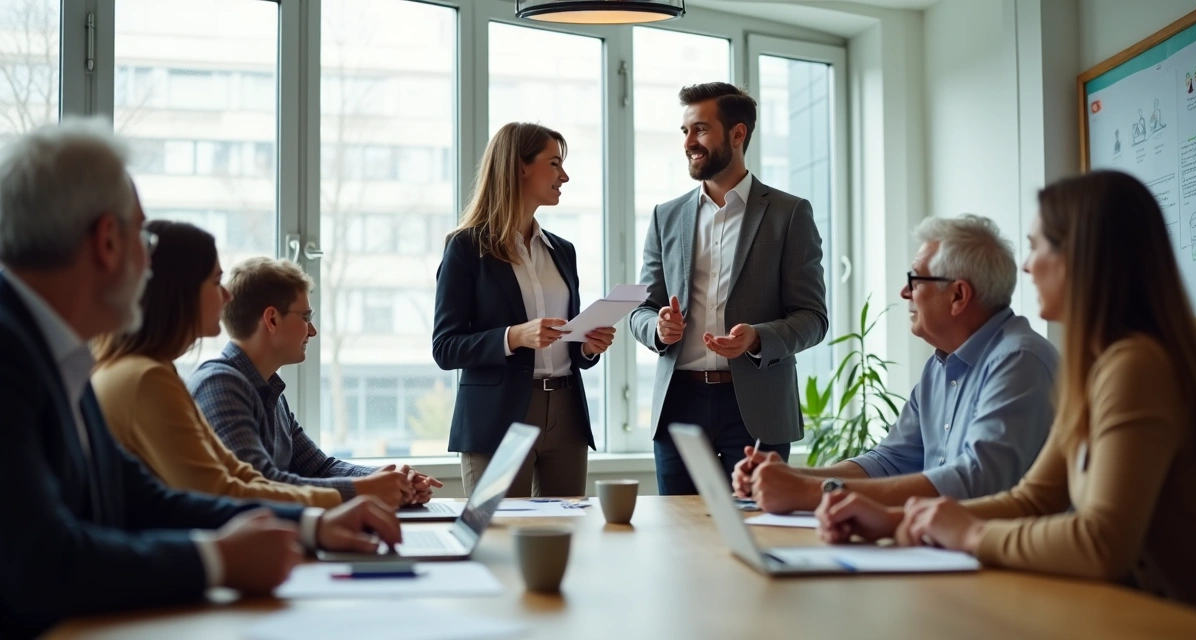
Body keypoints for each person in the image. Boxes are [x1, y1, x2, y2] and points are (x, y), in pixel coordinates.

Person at [0, 118, 401, 639]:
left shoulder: (60, 358)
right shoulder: (13, 357)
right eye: (143, 234)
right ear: (107, 241)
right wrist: (215, 561)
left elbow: (146, 499)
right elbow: (40, 563)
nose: (150, 260)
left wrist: (310, 525)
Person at [816, 171, 1196, 611]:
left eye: (1036, 246)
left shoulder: (1137, 366)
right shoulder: (1100, 368)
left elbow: (1102, 541)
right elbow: (1034, 497)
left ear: (1081, 257)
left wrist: (968, 533)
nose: (1026, 266)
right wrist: (896, 520)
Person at [733, 215, 1058, 512]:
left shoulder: (1019, 361)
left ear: (958, 296)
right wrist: (785, 474)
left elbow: (976, 481)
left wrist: (809, 491)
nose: (904, 292)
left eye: (915, 280)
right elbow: (890, 460)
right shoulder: (940, 365)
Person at [628, 82, 829, 495]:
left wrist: (758, 338)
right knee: (678, 536)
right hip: (678, 405)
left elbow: (813, 319)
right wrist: (657, 328)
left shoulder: (790, 214)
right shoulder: (666, 216)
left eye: (700, 130)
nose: (689, 143)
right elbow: (641, 310)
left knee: (755, 531)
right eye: (684, 131)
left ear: (738, 135)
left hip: (756, 408)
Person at [91, 221, 341, 507]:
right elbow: (224, 492)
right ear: (181, 291)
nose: (227, 296)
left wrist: (359, 492)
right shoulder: (148, 379)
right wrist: (344, 499)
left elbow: (240, 476)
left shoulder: (152, 372)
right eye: (215, 282)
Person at [432, 122, 615, 498]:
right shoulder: (466, 248)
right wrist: (515, 336)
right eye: (554, 163)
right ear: (520, 167)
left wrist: (587, 346)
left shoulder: (562, 251)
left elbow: (568, 345)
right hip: (497, 417)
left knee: (565, 536)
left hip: (566, 413)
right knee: (497, 536)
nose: (564, 176)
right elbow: (445, 347)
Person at [188, 257, 438, 508]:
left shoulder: (269, 389)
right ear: (272, 320)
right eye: (305, 316)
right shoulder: (220, 385)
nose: (312, 331)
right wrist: (368, 489)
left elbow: (319, 468)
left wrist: (387, 477)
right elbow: (262, 485)